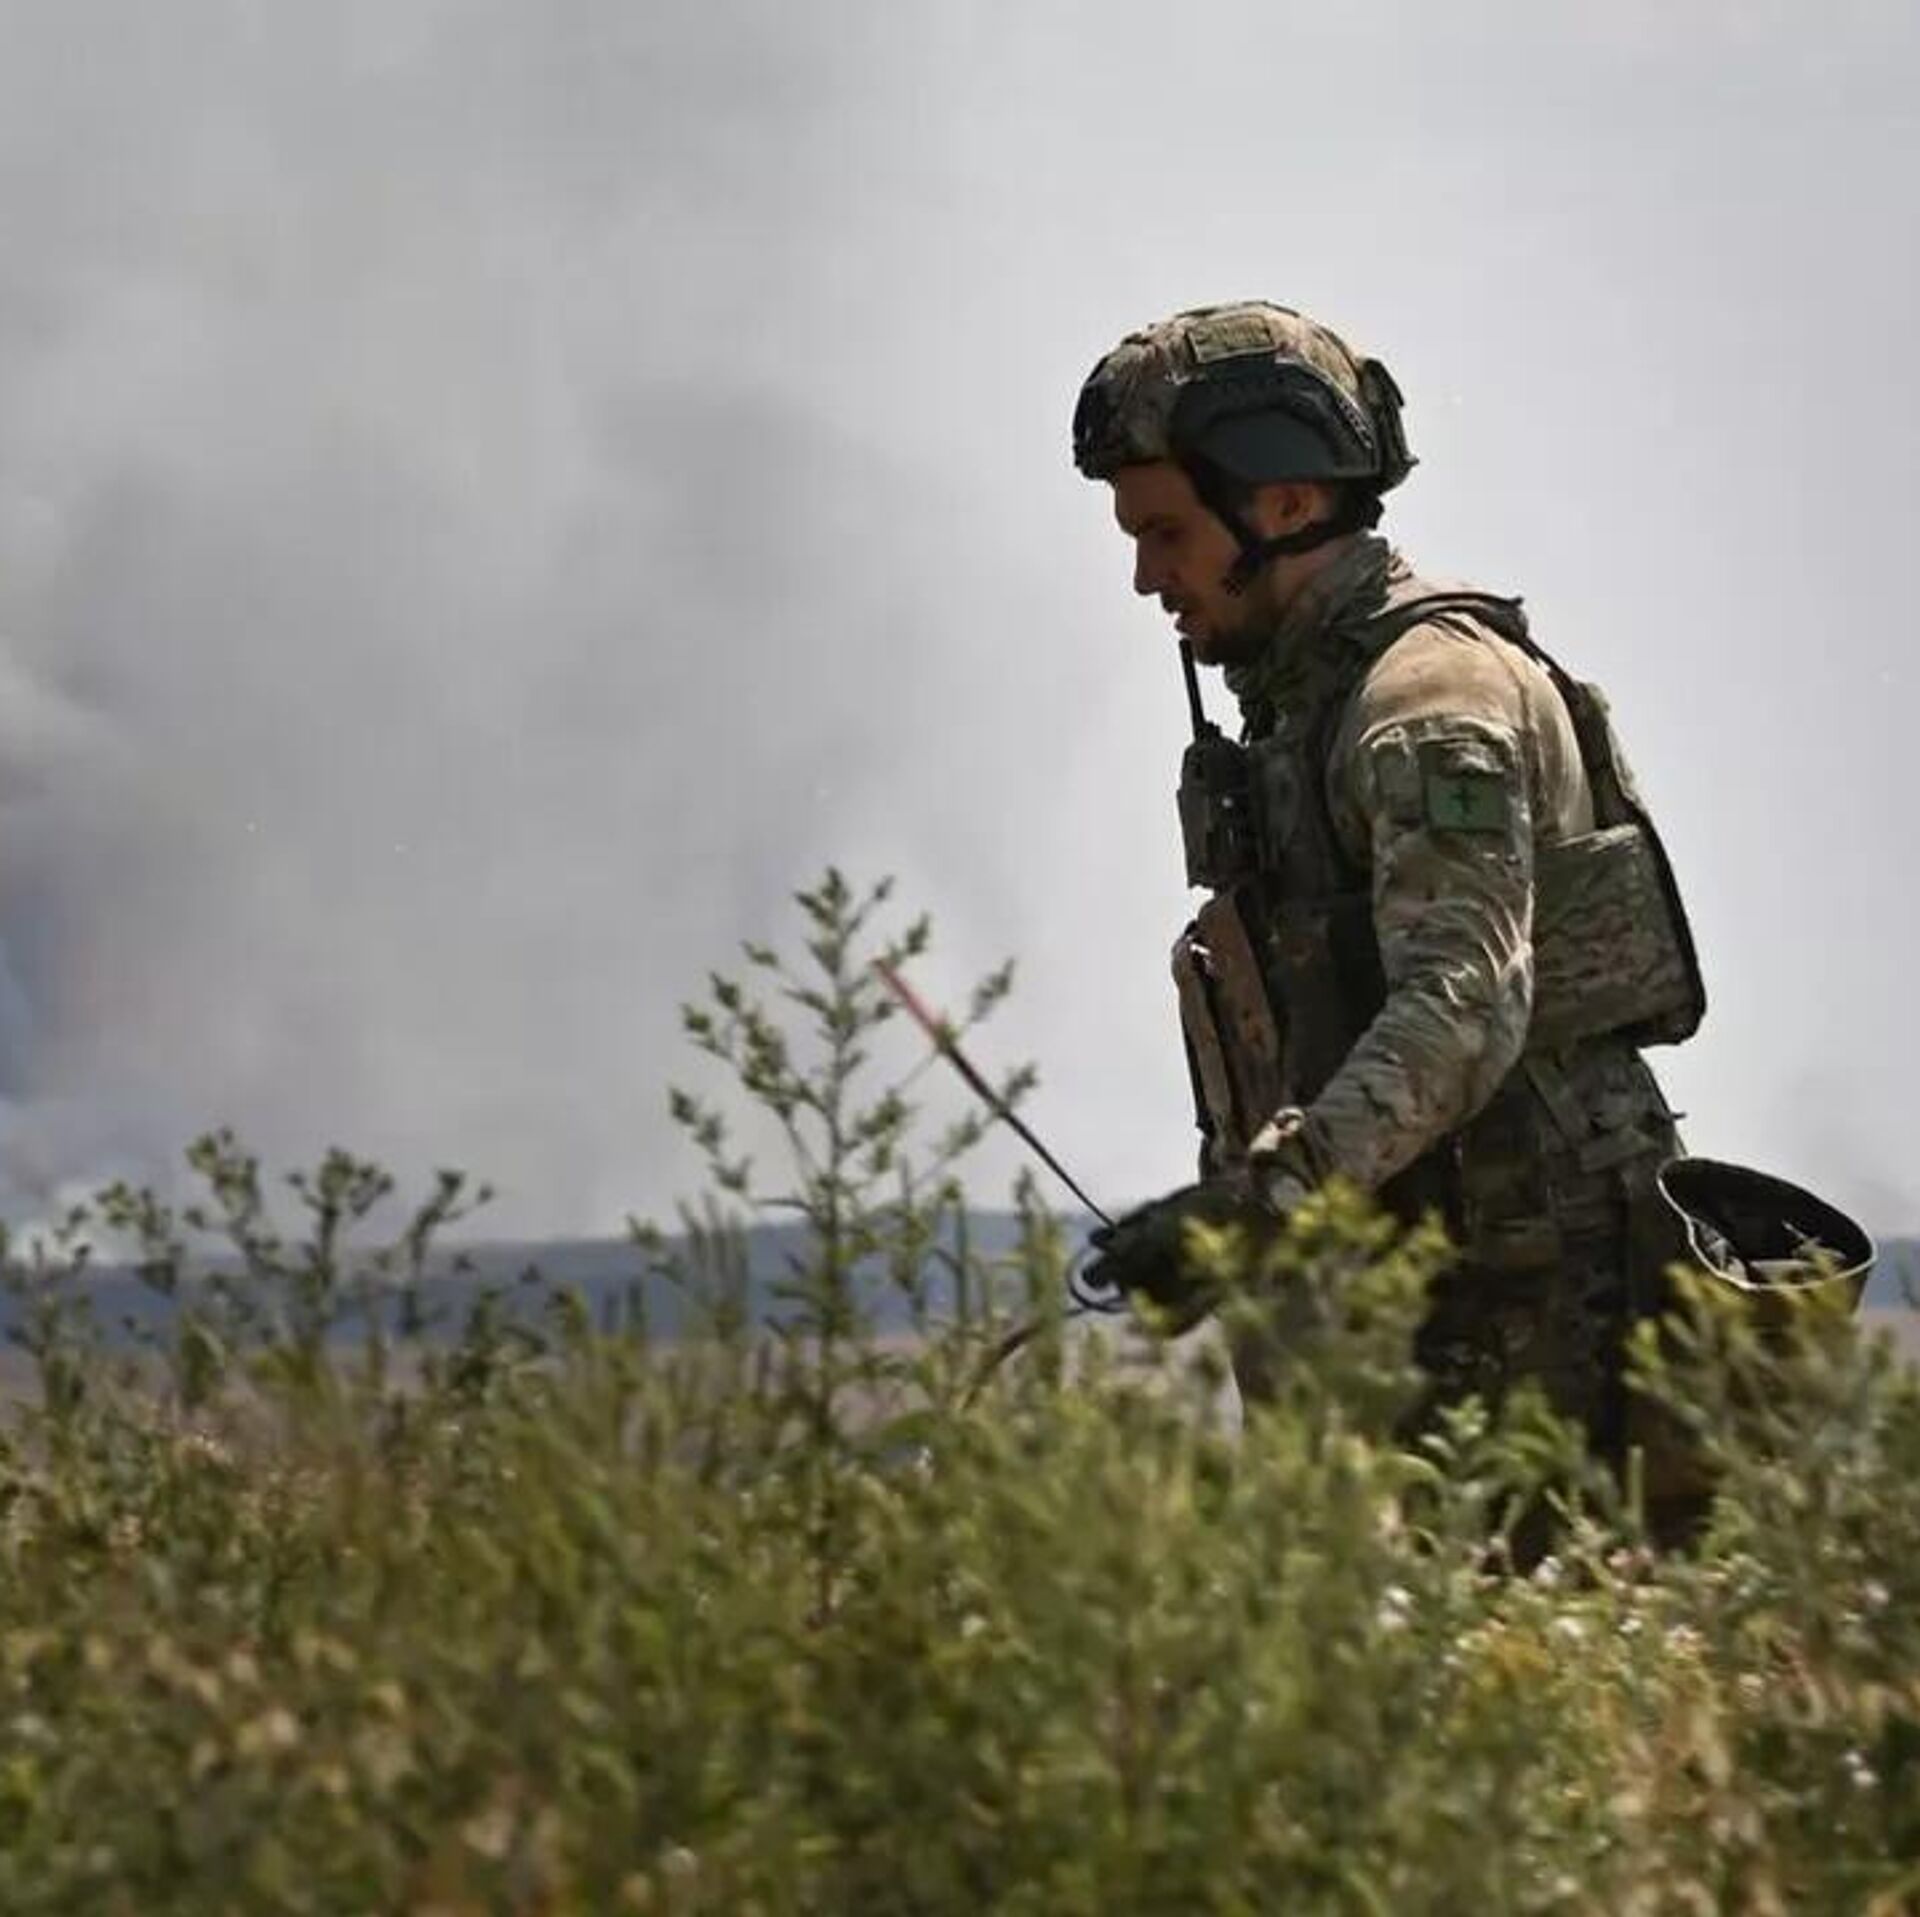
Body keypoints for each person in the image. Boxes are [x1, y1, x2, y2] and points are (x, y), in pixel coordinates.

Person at [1073, 300, 1708, 1478]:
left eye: (1165, 531)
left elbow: (1462, 1006)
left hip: (1533, 1316)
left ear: (1283, 503)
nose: (1148, 576)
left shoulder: (1426, 705)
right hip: (1427, 1298)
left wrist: (1259, 1209)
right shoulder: (1307, 708)